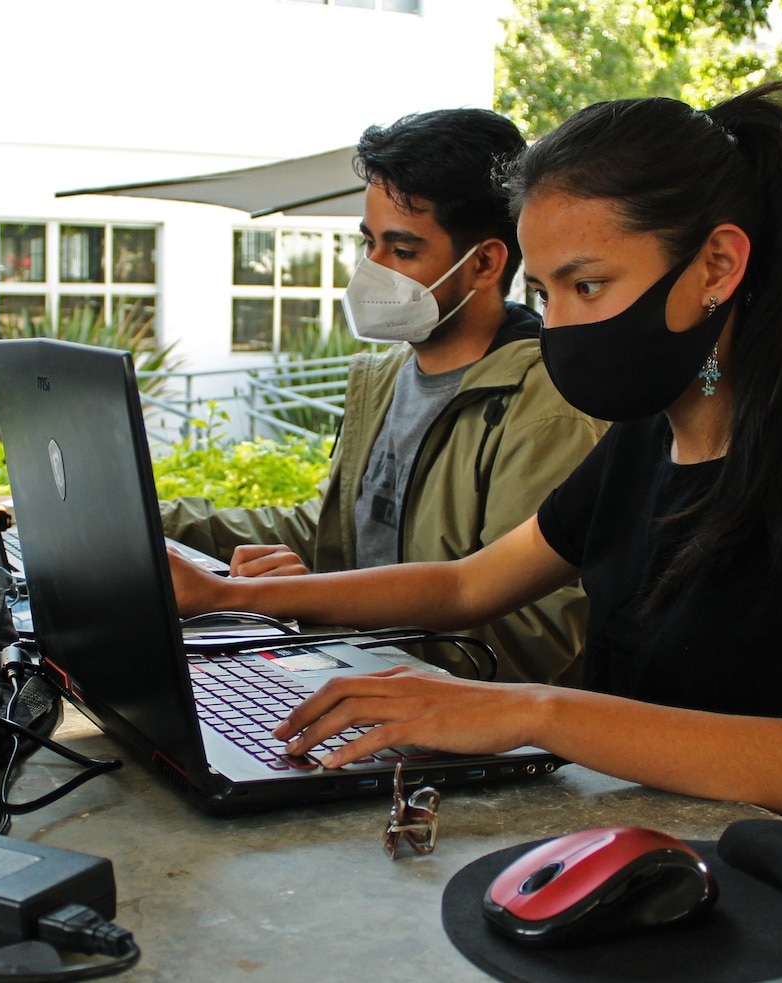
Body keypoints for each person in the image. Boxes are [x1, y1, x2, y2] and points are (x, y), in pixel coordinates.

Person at [166, 80, 782, 883]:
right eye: (543, 294)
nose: (557, 327)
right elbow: (462, 587)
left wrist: (531, 711)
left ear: (717, 263)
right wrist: (233, 599)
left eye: (587, 286)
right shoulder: (642, 443)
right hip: (647, 864)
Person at [161, 108, 606, 685]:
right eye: (369, 243)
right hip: (351, 685)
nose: (371, 270)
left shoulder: (547, 408)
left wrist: (305, 610)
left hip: (450, 737)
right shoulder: (389, 377)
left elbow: (528, 641)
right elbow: (331, 538)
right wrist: (155, 522)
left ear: (486, 263)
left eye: (402, 250)